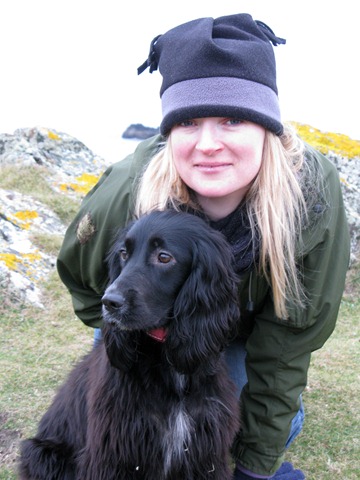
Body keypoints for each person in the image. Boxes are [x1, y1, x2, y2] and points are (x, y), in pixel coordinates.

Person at [56, 13, 350, 479]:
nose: (208, 143)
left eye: (232, 118)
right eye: (189, 121)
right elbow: (90, 285)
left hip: (231, 331)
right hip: (147, 319)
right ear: (169, 131)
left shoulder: (307, 199)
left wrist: (253, 469)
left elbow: (289, 340)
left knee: (236, 423)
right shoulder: (129, 193)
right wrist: (147, 337)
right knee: (126, 403)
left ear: (266, 127)